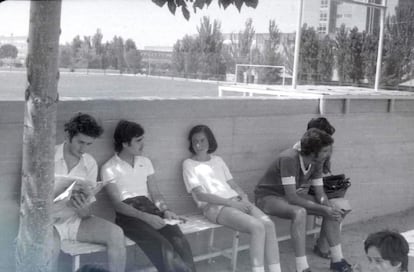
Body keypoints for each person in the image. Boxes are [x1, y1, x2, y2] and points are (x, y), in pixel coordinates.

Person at [182, 125, 282, 272]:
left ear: (210, 140)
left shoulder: (218, 160)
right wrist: (231, 203)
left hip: (236, 201)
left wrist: (244, 198)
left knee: (269, 225)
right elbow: (200, 195)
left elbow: (233, 184)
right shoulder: (189, 164)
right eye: (195, 141)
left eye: (202, 140)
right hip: (214, 207)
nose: (198, 145)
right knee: (257, 227)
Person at [101, 120, 196, 272]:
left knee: (179, 240)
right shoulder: (109, 168)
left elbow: (155, 193)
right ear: (125, 143)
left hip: (150, 208)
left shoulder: (145, 162)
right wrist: (147, 218)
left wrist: (165, 211)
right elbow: (118, 205)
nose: (142, 144)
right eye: (138, 140)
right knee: (163, 246)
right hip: (128, 215)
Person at [255, 128, 353, 272]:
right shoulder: (289, 158)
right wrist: (322, 209)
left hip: (288, 196)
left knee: (332, 206)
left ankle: (338, 260)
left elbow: (320, 192)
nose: (328, 154)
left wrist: (328, 208)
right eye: (325, 151)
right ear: (313, 151)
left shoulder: (317, 161)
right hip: (268, 197)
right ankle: (302, 267)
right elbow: (292, 197)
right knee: (299, 212)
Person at [52, 113, 126, 272]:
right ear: (68, 135)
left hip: (74, 219)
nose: (83, 149)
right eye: (80, 142)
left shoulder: (90, 163)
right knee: (50, 245)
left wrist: (83, 207)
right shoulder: (47, 156)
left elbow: (86, 214)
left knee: (116, 233)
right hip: (48, 221)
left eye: (88, 144)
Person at [296, 117, 351, 259]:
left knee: (340, 207)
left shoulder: (320, 155)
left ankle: (323, 246)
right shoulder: (297, 153)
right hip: (297, 193)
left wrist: (327, 206)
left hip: (313, 190)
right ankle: (325, 249)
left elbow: (319, 180)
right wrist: (327, 207)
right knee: (334, 207)